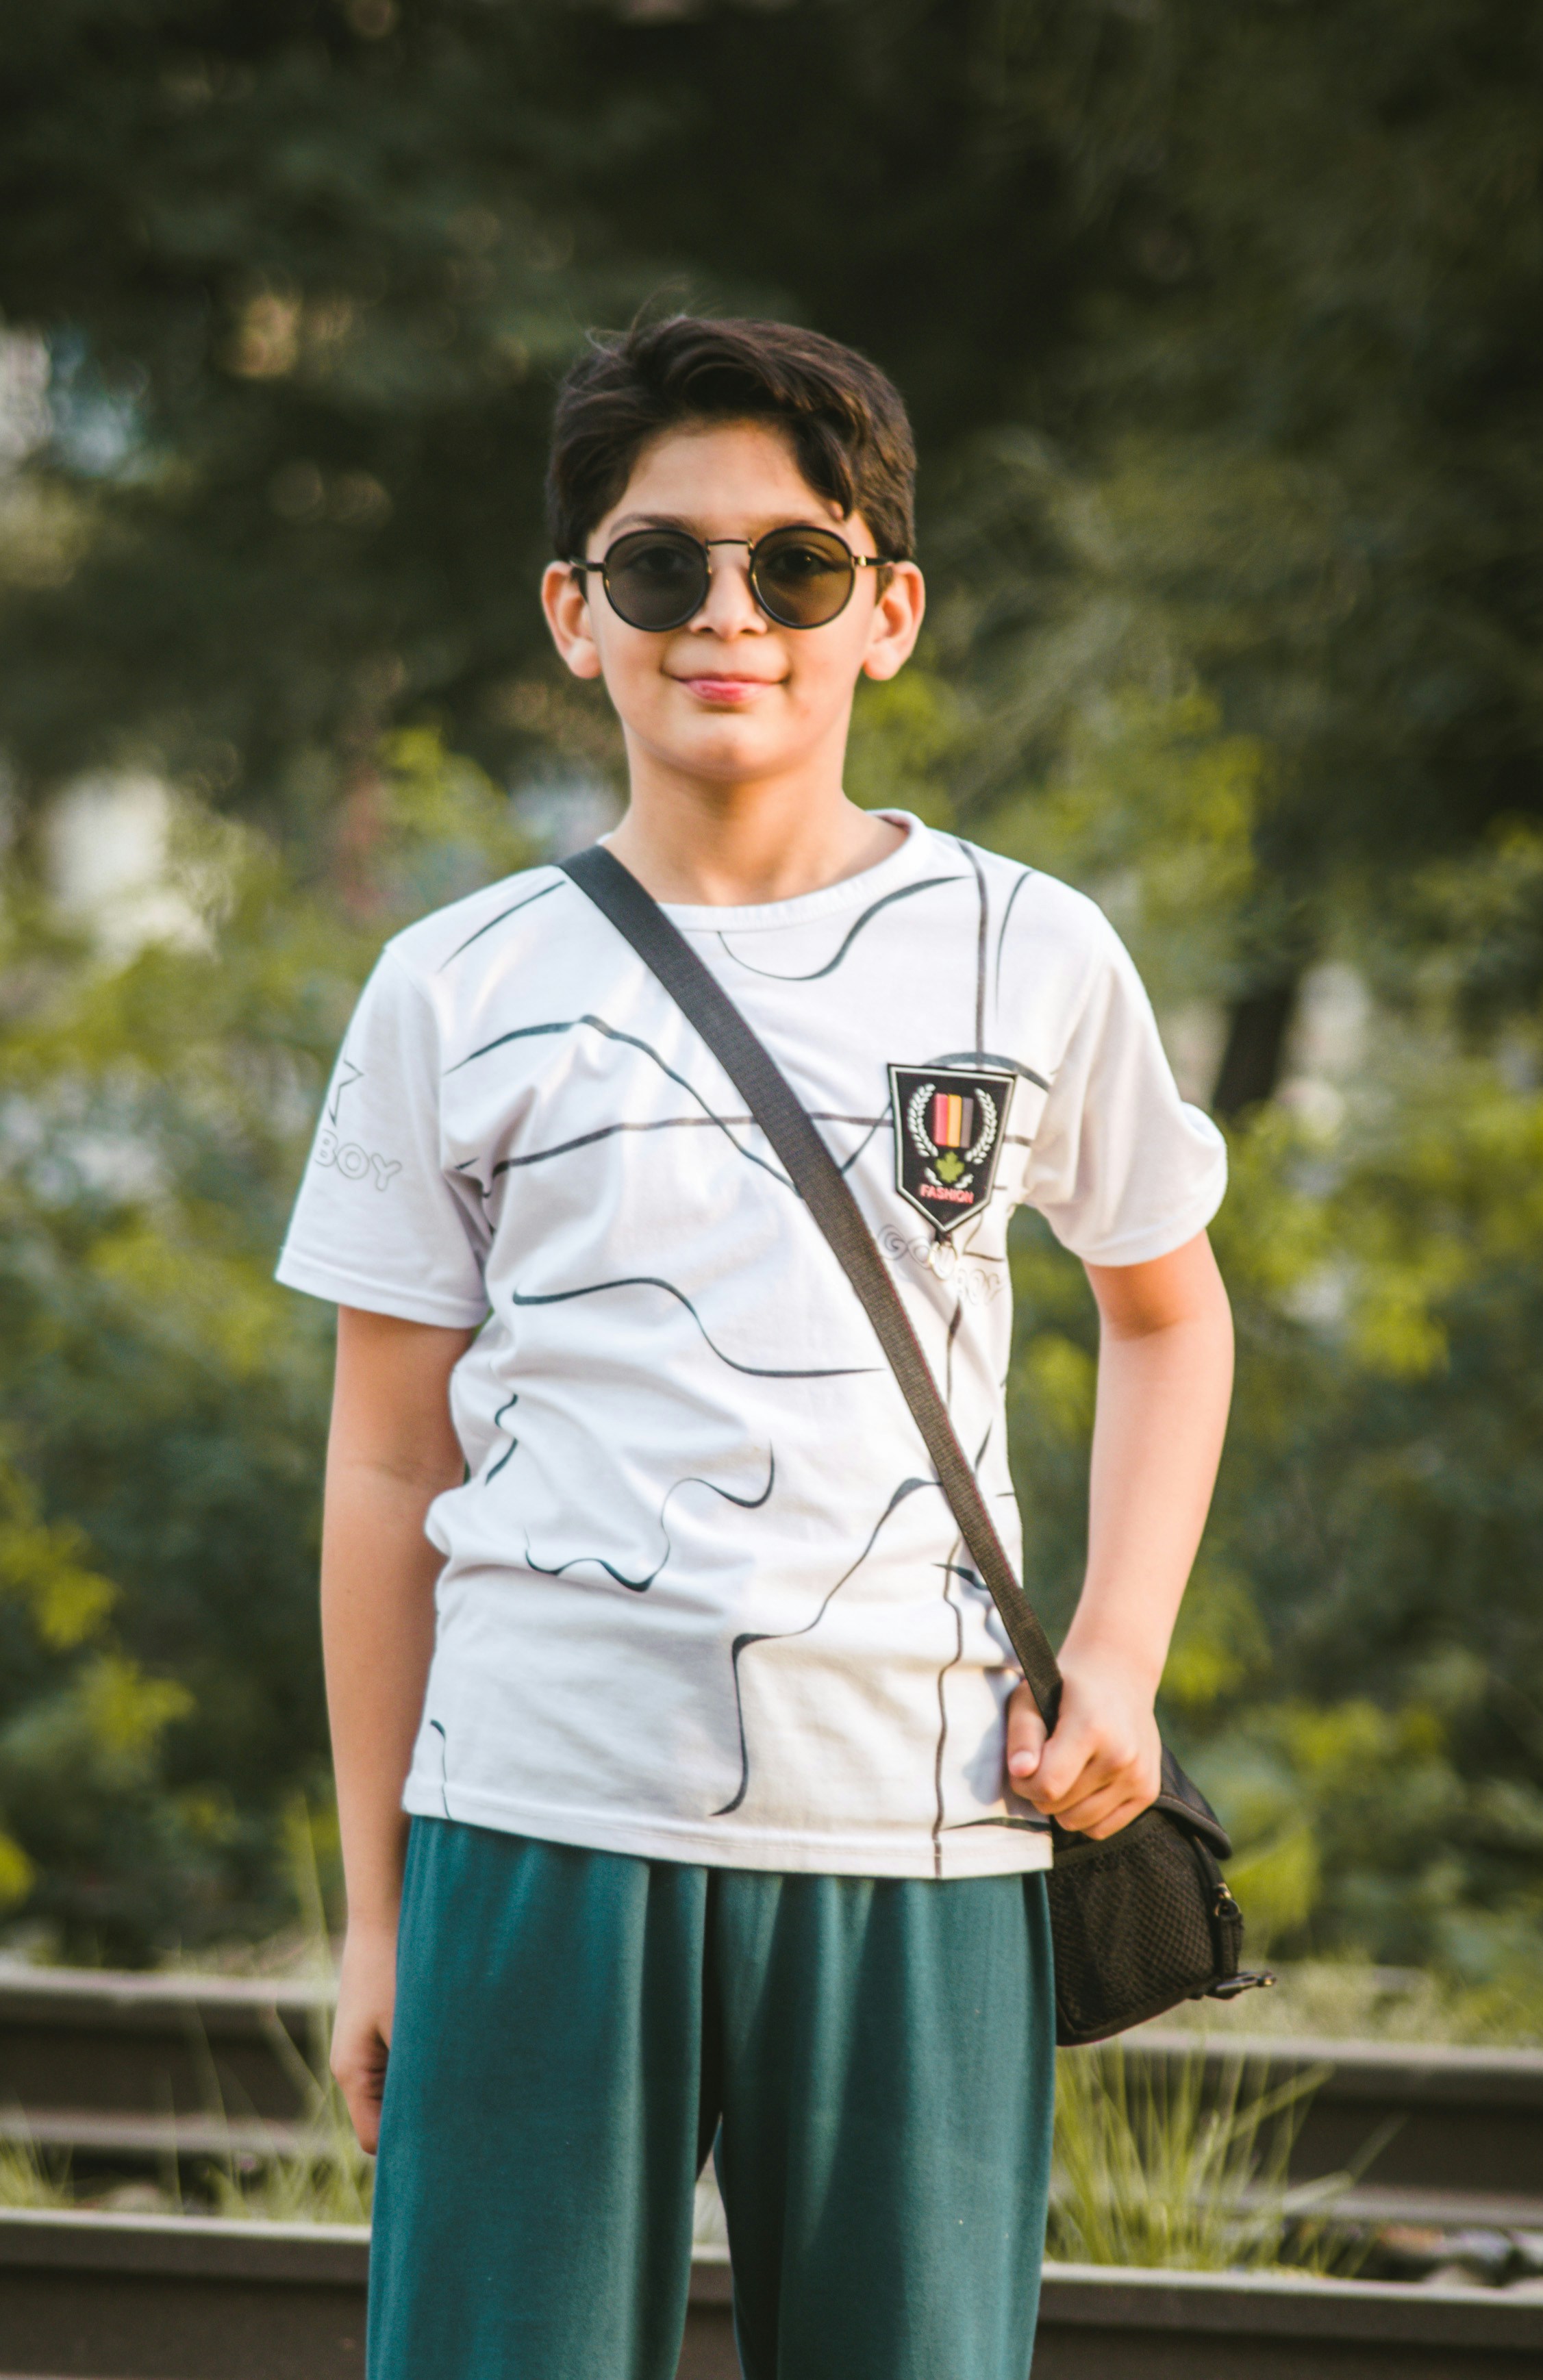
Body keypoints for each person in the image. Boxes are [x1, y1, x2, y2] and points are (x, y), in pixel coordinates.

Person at [276, 314, 1235, 2380]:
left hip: (924, 1816)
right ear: (573, 614)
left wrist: (1128, 1658)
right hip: (534, 1820)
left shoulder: (1030, 950)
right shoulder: (453, 986)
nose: (729, 615)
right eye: (660, 566)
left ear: (885, 613)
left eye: (793, 565)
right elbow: (381, 1465)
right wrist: (378, 1910)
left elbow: (1169, 1304)